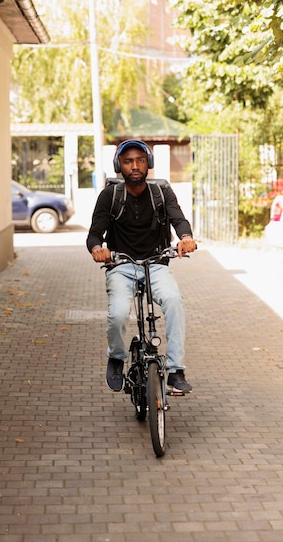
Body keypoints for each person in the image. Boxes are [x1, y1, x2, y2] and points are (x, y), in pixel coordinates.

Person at [86, 139, 197, 394]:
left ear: (148, 164)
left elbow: (178, 219)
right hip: (121, 266)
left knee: (174, 301)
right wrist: (97, 250)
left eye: (140, 160)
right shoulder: (110, 195)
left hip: (156, 264)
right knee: (118, 313)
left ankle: (175, 369)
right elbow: (94, 234)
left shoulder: (162, 193)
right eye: (128, 161)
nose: (134, 166)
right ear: (119, 166)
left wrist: (186, 238)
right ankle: (116, 357)